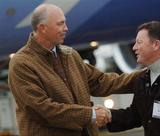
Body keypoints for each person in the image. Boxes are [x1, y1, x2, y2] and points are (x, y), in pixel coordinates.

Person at [8, 4, 138, 136]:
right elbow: (41, 109)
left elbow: (101, 82)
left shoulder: (70, 55)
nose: (66, 28)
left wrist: (146, 77)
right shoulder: (21, 64)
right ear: (42, 28)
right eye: (60, 24)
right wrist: (91, 115)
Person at [96, 21, 160, 136]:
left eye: (139, 42)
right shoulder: (141, 78)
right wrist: (109, 115)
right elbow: (136, 116)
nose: (134, 48)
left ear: (156, 44)